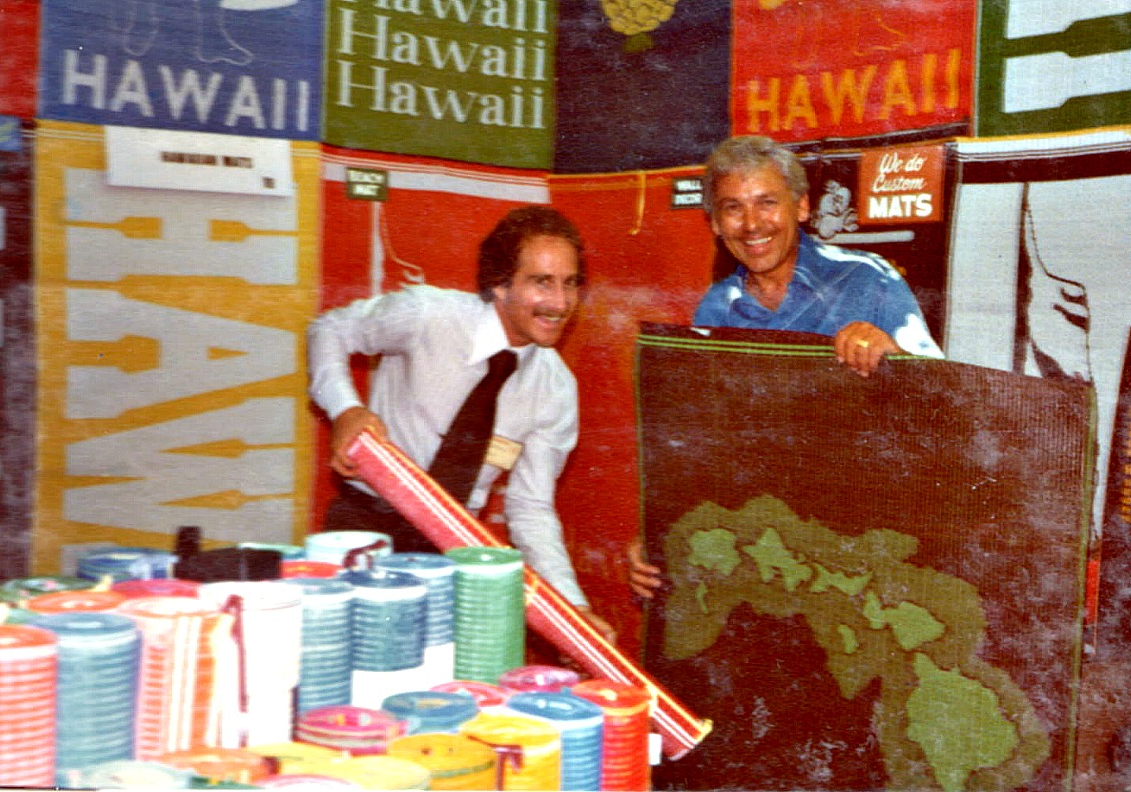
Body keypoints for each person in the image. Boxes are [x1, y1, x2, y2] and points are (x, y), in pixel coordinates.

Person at [627, 135, 944, 599]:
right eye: (733, 208)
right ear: (714, 223)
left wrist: (894, 355)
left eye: (767, 202)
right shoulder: (714, 309)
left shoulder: (867, 279)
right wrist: (657, 533)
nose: (752, 223)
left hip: (865, 548)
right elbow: (701, 451)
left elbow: (944, 404)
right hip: (772, 554)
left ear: (802, 207)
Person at [309, 205, 614, 641]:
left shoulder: (556, 388)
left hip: (455, 550)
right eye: (542, 282)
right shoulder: (429, 314)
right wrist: (345, 409)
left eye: (570, 284)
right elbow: (330, 329)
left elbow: (530, 508)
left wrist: (573, 606)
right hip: (366, 529)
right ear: (500, 283)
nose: (561, 303)